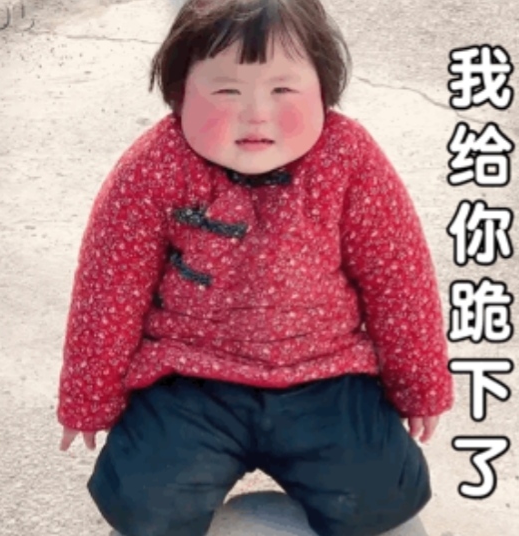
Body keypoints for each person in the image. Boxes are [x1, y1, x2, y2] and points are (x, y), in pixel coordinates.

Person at [57, 1, 454, 535]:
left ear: (323, 88)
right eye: (227, 91)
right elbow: (109, 289)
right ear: (179, 93)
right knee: (142, 503)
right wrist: (89, 397)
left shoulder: (349, 159)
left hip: (327, 377)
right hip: (189, 381)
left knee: (385, 498)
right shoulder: (155, 166)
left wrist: (419, 384)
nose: (256, 113)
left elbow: (399, 278)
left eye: (282, 89)